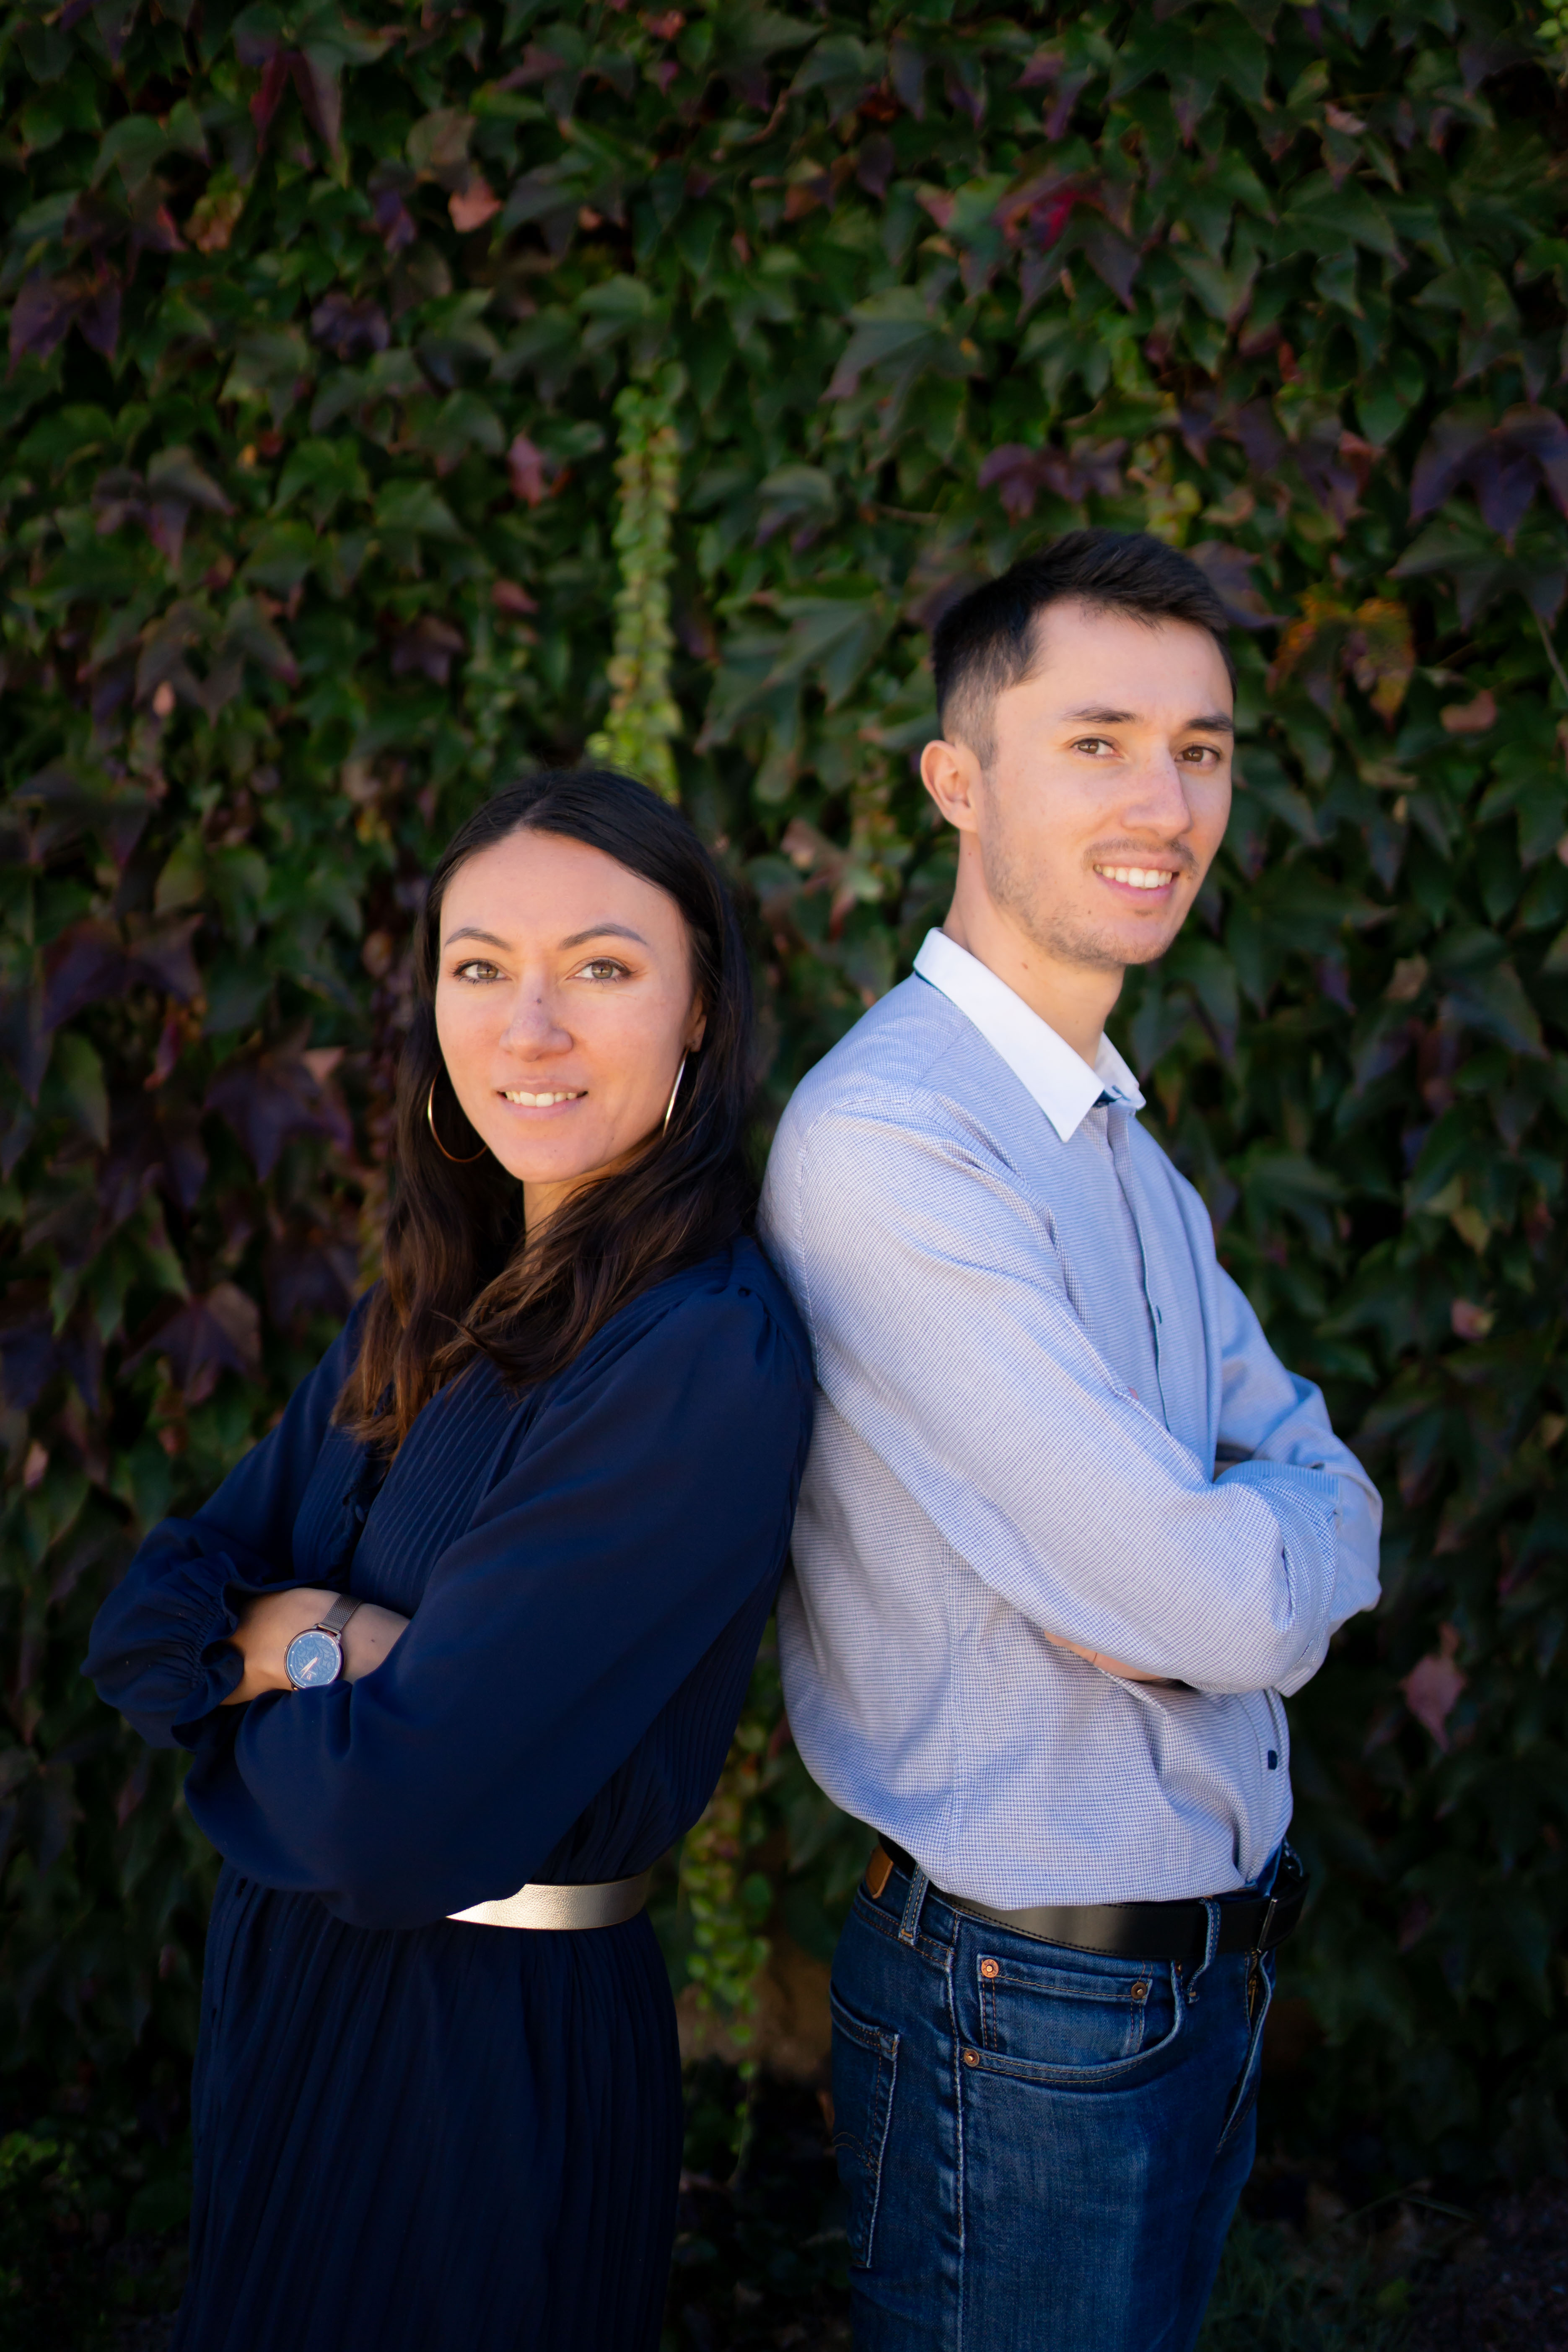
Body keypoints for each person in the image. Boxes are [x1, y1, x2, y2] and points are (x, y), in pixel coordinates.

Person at [87, 769, 814, 2352]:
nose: (527, 1027)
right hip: (293, 2023)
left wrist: (273, 1647)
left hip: (482, 2069)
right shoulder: (429, 1299)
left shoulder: (699, 1355)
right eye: (480, 966)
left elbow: (396, 1815)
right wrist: (333, 1645)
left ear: (701, 1011)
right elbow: (147, 1620)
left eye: (603, 969)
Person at [759, 532, 1382, 2351]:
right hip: (1021, 2017)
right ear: (959, 778)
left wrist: (1232, 1554)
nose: (1167, 798)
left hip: (1172, 1993)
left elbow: (1321, 1476)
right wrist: (1226, 1564)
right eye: (1099, 737)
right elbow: (1232, 1599)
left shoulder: (1107, 1127)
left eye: (1203, 747)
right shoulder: (898, 1145)